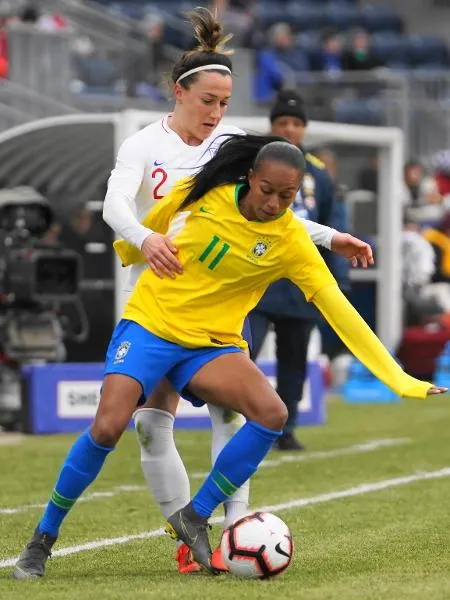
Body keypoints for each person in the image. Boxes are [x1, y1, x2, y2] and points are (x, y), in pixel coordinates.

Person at [13, 134, 446, 580]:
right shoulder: (201, 193)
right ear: (251, 178)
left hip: (213, 343)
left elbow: (341, 313)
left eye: (287, 196)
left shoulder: (292, 240)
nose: (274, 203)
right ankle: (42, 540)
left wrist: (400, 379)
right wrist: (133, 248)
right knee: (107, 427)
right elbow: (149, 222)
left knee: (271, 413)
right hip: (152, 324)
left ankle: (195, 516)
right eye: (267, 190)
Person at [99, 6, 374, 576]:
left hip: (222, 295)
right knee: (150, 425)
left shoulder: (233, 147)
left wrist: (329, 237)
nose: (218, 112)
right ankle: (186, 536)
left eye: (225, 103)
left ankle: (233, 528)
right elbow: (115, 206)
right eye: (209, 101)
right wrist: (144, 240)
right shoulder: (142, 144)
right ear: (181, 93)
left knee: (232, 414)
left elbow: (276, 210)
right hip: (152, 292)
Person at [249, 90, 348, 451]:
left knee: (294, 358)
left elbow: (331, 225)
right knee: (243, 352)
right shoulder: (251, 165)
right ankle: (241, 420)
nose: (289, 129)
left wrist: (336, 282)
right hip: (255, 278)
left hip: (299, 283)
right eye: (282, 123)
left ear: (303, 129)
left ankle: (285, 429)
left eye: (295, 123)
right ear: (271, 126)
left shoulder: (318, 176)